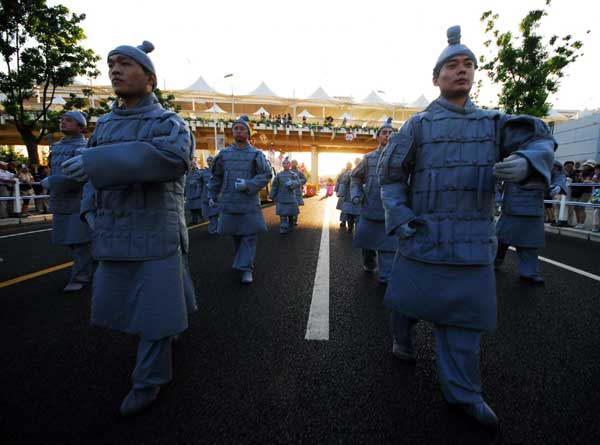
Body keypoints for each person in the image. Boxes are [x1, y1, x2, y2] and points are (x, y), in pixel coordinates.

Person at [378, 26, 554, 428]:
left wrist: (528, 162)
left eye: (468, 65)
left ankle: (464, 393)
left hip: (472, 243)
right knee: (406, 305)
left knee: (464, 323)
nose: (462, 71)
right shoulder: (417, 126)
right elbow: (390, 179)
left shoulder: (494, 123)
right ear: (436, 77)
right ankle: (401, 340)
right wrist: (402, 219)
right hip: (422, 235)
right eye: (452, 65)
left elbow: (541, 139)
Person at [61, 41, 197, 416]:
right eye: (111, 64)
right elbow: (91, 177)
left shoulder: (169, 123)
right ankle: (174, 324)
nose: (115, 70)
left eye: (125, 64)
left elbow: (169, 160)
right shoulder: (103, 124)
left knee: (154, 309)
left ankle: (149, 381)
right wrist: (89, 212)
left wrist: (95, 161)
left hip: (155, 229)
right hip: (113, 231)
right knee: (141, 300)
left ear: (150, 79)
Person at [208, 115, 272, 284]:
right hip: (229, 201)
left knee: (249, 235)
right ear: (232, 132)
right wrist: (212, 195)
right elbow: (216, 177)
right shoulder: (224, 154)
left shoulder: (256, 154)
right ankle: (244, 262)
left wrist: (249, 184)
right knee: (236, 235)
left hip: (249, 202)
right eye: (236, 128)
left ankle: (246, 268)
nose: (238, 131)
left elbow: (266, 174)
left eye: (242, 128)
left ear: (248, 133)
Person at [42, 111, 93, 292]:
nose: (63, 122)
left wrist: (54, 182)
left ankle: (81, 276)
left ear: (81, 127)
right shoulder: (55, 147)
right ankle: (88, 268)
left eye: (69, 120)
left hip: (77, 200)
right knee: (69, 240)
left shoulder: (83, 148)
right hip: (60, 199)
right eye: (62, 120)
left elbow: (80, 176)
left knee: (80, 241)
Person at [495, 161, 565, 285]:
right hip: (511, 207)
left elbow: (559, 174)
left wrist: (558, 186)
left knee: (530, 243)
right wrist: (496, 197)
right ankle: (494, 262)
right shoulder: (512, 158)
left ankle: (529, 273)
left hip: (534, 209)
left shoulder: (544, 159)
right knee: (501, 240)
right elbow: (496, 177)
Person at [351, 118, 397, 283]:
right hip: (370, 208)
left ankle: (386, 277)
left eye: (391, 133)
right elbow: (355, 177)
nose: (388, 135)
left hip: (391, 211)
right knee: (368, 243)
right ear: (378, 137)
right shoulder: (368, 158)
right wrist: (357, 194)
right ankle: (369, 264)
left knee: (389, 246)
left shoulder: (401, 158)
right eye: (384, 133)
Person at [269, 158, 300, 234]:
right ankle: (283, 228)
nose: (285, 165)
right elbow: (274, 186)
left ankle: (291, 225)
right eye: (284, 163)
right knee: (283, 215)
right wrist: (272, 195)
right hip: (281, 198)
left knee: (291, 214)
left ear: (290, 165)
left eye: (287, 163)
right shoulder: (279, 175)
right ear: (282, 165)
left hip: (291, 198)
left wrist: (292, 183)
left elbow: (298, 183)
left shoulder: (293, 175)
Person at [340, 158, 362, 234]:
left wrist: (341, 193)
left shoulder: (349, 172)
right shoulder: (362, 171)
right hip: (355, 196)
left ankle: (351, 227)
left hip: (352, 196)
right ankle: (352, 227)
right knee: (353, 213)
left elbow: (344, 183)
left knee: (351, 213)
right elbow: (344, 183)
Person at [572, 159, 595, 228]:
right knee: (576, 207)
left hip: (587, 192)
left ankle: (581, 223)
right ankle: (578, 222)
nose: (585, 166)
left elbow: (585, 181)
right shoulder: (583, 172)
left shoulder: (593, 173)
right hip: (580, 191)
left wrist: (581, 177)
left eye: (586, 165)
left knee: (581, 207)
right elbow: (580, 180)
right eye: (585, 165)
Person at [200, 155, 219, 234]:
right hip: (205, 195)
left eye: (211, 160)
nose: (209, 162)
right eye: (208, 161)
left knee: (215, 213)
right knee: (209, 213)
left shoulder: (218, 171)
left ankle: (214, 228)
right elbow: (200, 183)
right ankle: (213, 228)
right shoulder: (203, 172)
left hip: (215, 195)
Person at [184, 158, 203, 225]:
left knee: (198, 208)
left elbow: (200, 184)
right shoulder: (187, 174)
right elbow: (186, 184)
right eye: (191, 165)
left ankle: (202, 218)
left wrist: (197, 193)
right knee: (192, 208)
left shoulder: (199, 173)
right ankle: (194, 220)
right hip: (190, 194)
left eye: (194, 164)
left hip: (196, 194)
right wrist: (185, 193)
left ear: (196, 165)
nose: (192, 166)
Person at [290, 159, 307, 226]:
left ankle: (295, 220)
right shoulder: (287, 171)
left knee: (295, 206)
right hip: (289, 192)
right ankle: (290, 220)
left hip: (297, 192)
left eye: (295, 163)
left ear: (296, 164)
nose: (293, 164)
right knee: (289, 206)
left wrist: (298, 182)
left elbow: (305, 179)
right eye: (292, 163)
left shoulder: (299, 172)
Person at [335, 164, 351, 229]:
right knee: (347, 208)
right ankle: (347, 222)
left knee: (344, 208)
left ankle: (343, 222)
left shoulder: (342, 173)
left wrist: (337, 191)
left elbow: (338, 182)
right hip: (349, 193)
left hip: (344, 192)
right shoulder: (353, 172)